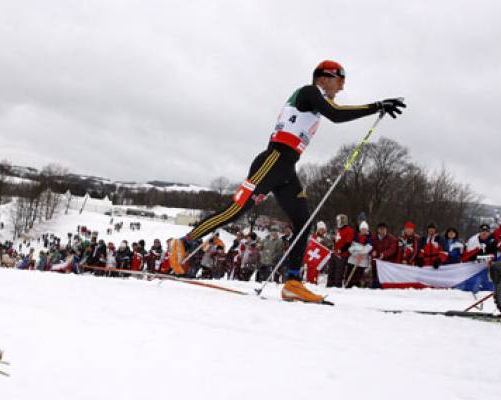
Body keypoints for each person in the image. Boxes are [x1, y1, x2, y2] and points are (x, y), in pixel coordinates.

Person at [167, 60, 405, 302]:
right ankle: (185, 242)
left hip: (286, 169)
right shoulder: (310, 91)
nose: (342, 87)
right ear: (323, 78)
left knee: (304, 221)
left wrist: (375, 108)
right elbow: (336, 114)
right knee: (236, 211)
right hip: (272, 160)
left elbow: (335, 109)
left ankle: (292, 282)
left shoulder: (319, 99)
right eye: (339, 80)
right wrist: (376, 106)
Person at [327, 214, 354, 287]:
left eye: (338, 220)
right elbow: (337, 241)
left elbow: (348, 243)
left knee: (338, 273)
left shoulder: (349, 230)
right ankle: (329, 286)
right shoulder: (338, 230)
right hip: (334, 253)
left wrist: (341, 250)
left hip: (342, 255)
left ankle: (337, 288)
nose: (337, 222)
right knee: (331, 271)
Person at [370, 222, 398, 288]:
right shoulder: (373, 238)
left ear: (386, 230)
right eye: (381, 229)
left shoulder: (392, 239)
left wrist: (384, 254)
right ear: (378, 230)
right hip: (376, 263)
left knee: (384, 279)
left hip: (386, 264)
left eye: (384, 229)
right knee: (375, 279)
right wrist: (372, 251)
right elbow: (370, 246)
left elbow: (392, 249)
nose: (382, 231)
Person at [346, 221, 373, 287]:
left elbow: (367, 249)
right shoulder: (355, 236)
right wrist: (358, 251)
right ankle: (347, 287)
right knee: (349, 276)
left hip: (362, 261)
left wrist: (357, 249)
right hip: (352, 260)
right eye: (362, 229)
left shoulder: (369, 238)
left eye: (365, 229)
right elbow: (350, 249)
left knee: (358, 278)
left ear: (367, 229)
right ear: (360, 229)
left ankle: (357, 289)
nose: (363, 230)